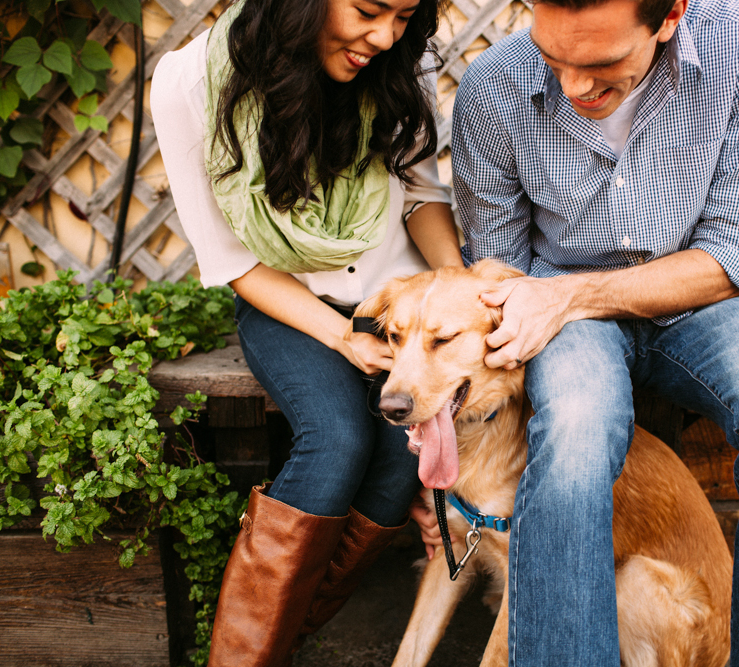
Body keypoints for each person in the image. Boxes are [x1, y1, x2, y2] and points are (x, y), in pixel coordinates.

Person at [452, 0, 739, 665]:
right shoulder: (493, 86)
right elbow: (500, 275)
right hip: (561, 314)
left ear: (670, 15)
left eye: (604, 64)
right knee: (576, 423)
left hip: (697, 296)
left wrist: (572, 294)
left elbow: (730, 253)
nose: (574, 87)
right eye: (555, 60)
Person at [150, 0, 462, 665]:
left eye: (404, 17)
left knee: (398, 455)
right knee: (337, 439)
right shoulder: (187, 84)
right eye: (370, 10)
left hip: (395, 300)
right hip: (287, 300)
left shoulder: (402, 64)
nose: (383, 37)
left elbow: (420, 195)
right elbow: (233, 260)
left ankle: (283, 640)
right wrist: (342, 337)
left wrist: (456, 289)